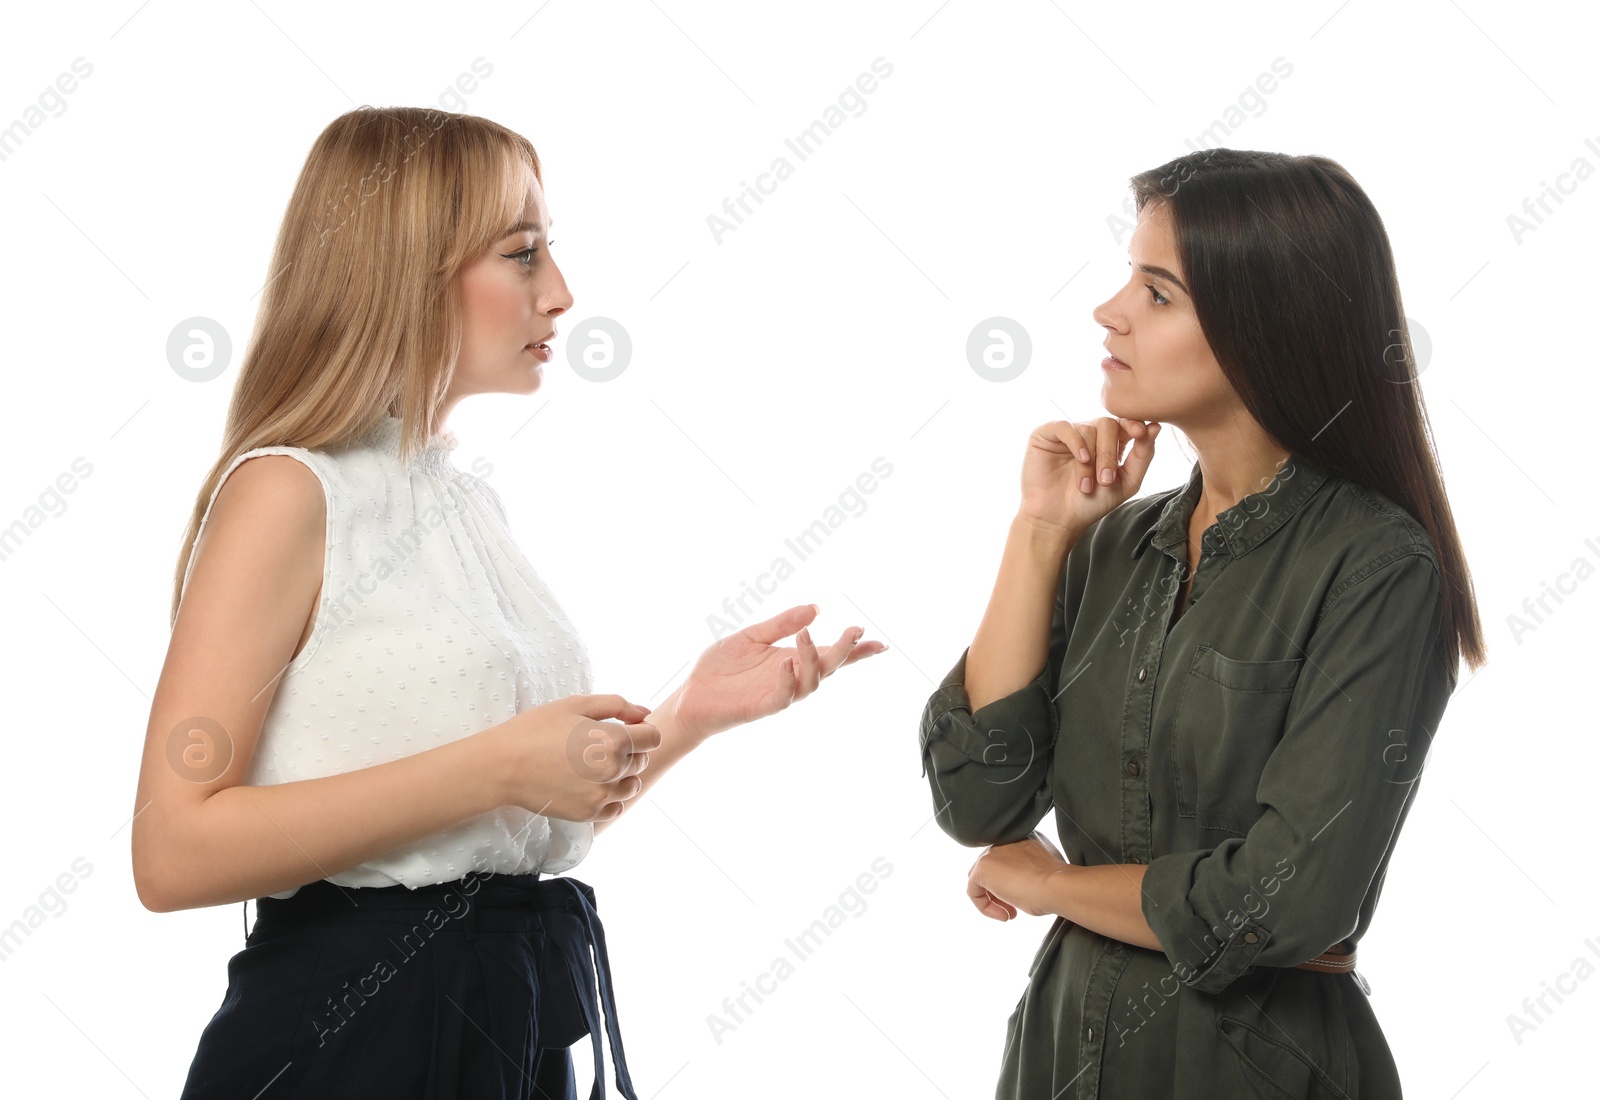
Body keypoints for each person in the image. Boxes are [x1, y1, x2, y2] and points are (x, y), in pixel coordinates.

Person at [132, 105, 884, 1099]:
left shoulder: (460, 496)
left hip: (503, 1025)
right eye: (522, 254)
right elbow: (172, 850)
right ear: (406, 269)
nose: (562, 292)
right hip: (346, 1042)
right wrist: (493, 763)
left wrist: (687, 717)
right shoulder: (286, 491)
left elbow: (492, 827)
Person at [919, 148, 1486, 1099]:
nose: (1109, 312)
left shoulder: (1375, 565)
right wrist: (1040, 534)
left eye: (1157, 294)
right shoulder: (1112, 542)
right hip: (1062, 1055)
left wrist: (1052, 886)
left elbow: (1284, 899)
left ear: (1265, 327)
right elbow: (977, 800)